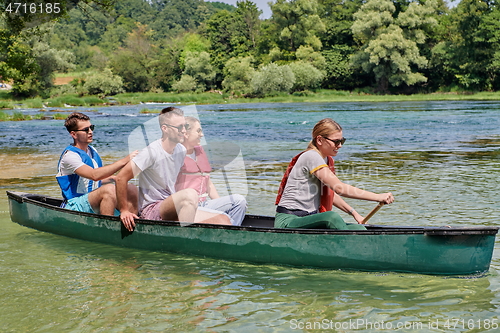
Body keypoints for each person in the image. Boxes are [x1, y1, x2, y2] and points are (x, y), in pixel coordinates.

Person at [116, 107, 231, 231]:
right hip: (152, 210)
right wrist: (124, 211)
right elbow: (121, 178)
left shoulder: (180, 150)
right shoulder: (151, 152)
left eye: (185, 126)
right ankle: (185, 238)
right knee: (190, 194)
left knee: (224, 220)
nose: (183, 131)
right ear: (165, 128)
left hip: (171, 206)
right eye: (179, 127)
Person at [275, 118, 395, 230]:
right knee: (331, 217)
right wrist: (377, 197)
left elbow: (330, 194)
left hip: (309, 219)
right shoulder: (311, 156)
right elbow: (339, 188)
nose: (340, 145)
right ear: (320, 140)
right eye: (336, 142)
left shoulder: (326, 159)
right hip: (289, 221)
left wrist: (355, 214)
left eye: (342, 141)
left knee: (359, 228)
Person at [56, 112, 138, 216]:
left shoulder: (92, 150)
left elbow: (92, 181)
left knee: (130, 188)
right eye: (86, 130)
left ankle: (132, 221)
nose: (90, 132)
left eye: (91, 128)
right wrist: (125, 160)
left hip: (91, 201)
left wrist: (114, 178)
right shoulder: (70, 156)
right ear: (73, 134)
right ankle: (106, 227)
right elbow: (94, 175)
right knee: (108, 190)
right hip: (74, 205)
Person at [175, 116, 247, 226]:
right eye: (198, 131)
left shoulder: (200, 151)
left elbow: (208, 182)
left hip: (204, 203)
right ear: (186, 133)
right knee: (224, 218)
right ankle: (229, 231)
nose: (202, 135)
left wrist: (219, 204)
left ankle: (231, 233)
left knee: (239, 201)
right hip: (187, 206)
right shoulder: (175, 155)